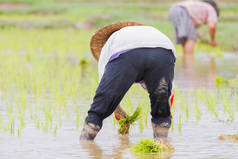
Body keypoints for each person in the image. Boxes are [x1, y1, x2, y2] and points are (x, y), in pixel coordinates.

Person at [80, 21, 176, 141]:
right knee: (161, 114)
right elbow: (168, 89)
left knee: (97, 112)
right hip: (164, 51)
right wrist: (165, 109)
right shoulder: (152, 32)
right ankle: (162, 145)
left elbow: (105, 90)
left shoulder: (112, 44)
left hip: (129, 55)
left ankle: (86, 144)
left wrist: (119, 115)